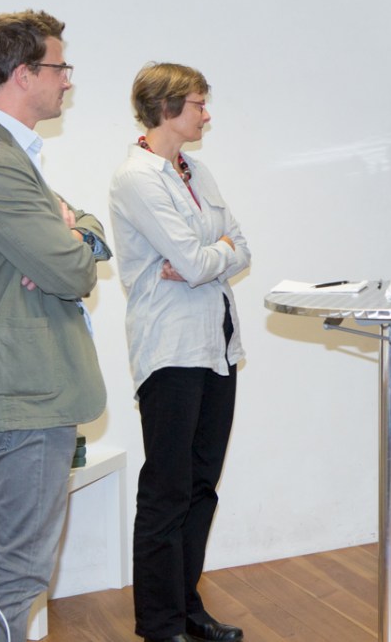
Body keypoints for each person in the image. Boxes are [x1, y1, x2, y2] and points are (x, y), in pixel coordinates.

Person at [0, 10, 109, 642]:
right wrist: (71, 242)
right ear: (22, 73)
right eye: (59, 67)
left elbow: (84, 227)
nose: (68, 80)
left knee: (7, 564)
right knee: (16, 571)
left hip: (27, 385)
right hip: (25, 388)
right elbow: (71, 271)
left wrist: (74, 232)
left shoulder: (4, 152)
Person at [109, 63, 250, 642]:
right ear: (167, 108)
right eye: (198, 104)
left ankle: (188, 607)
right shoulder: (136, 178)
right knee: (167, 491)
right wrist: (207, 255)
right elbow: (195, 261)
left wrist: (208, 255)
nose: (206, 115)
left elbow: (240, 246)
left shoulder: (196, 170)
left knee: (201, 486)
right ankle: (160, 624)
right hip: (170, 350)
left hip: (217, 345)